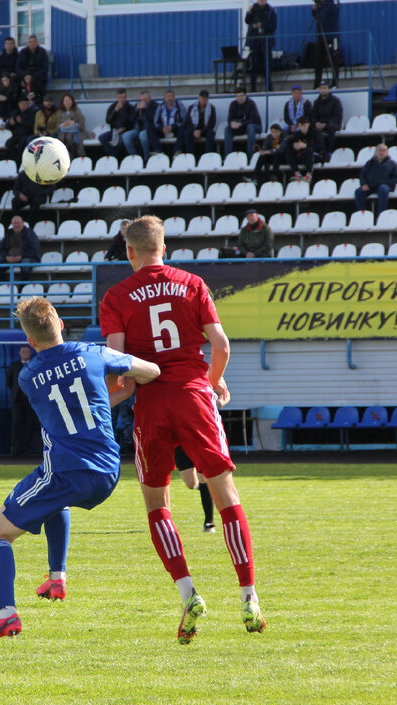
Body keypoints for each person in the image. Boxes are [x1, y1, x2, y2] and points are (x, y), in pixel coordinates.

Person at [100, 215, 267, 643]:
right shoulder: (192, 283)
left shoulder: (116, 296)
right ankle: (249, 596)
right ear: (164, 247)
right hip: (194, 396)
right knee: (225, 493)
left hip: (152, 405)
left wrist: (105, 401)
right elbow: (222, 346)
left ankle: (188, 593)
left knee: (158, 504)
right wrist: (210, 381)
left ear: (129, 252)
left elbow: (121, 369)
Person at [0, 297, 160, 649]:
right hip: (107, 472)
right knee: (58, 502)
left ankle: (6, 613)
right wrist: (124, 383)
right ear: (60, 323)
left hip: (67, 470)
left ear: (30, 341)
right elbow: (150, 372)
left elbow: (62, 412)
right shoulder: (93, 353)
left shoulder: (28, 376)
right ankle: (56, 579)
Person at [6, 344, 39, 457]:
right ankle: (16, 449)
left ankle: (28, 449)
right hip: (18, 401)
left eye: (27, 351)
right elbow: (9, 382)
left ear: (30, 353)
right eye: (23, 351)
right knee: (17, 424)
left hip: (31, 401)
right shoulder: (14, 365)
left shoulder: (35, 365)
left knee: (30, 425)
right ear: (19, 353)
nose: (25, 353)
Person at [175, 446, 217, 533]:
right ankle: (206, 489)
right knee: (191, 484)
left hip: (198, 443)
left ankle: (209, 522)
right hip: (181, 446)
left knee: (203, 480)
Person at [0, 214, 43, 282]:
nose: (17, 225)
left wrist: (21, 256)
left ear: (23, 223)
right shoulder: (8, 233)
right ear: (12, 224)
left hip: (27, 257)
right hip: (11, 258)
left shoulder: (30, 233)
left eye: (18, 223)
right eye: (15, 223)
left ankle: (22, 288)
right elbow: (1, 249)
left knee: (25, 265)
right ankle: (5, 285)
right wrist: (6, 257)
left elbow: (34, 250)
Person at [354, 143, 397, 214]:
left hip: (384, 186)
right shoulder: (369, 163)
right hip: (371, 186)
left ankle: (380, 214)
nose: (381, 152)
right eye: (379, 150)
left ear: (387, 152)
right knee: (358, 191)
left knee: (383, 189)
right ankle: (361, 213)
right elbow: (362, 175)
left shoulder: (392, 164)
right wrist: (364, 184)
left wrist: (384, 182)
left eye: (384, 150)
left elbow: (396, 178)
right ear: (376, 152)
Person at [245, 0, 278, 91]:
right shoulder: (253, 9)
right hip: (254, 42)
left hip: (266, 42)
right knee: (254, 67)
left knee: (266, 66)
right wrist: (249, 11)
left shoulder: (271, 10)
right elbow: (247, 20)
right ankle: (253, 89)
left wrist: (262, 25)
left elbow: (273, 26)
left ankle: (269, 88)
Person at [97, 87, 137, 156]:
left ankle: (117, 156)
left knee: (121, 139)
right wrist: (115, 111)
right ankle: (113, 155)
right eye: (120, 97)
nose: (121, 99)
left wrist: (124, 128)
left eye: (123, 97)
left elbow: (132, 123)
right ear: (117, 97)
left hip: (125, 131)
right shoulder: (112, 107)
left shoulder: (130, 108)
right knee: (102, 137)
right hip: (114, 131)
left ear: (126, 97)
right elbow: (108, 120)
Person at [224, 89, 262, 155]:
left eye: (241, 96)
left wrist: (241, 124)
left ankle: (251, 155)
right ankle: (228, 156)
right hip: (241, 128)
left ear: (245, 95)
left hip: (255, 127)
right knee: (227, 128)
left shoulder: (251, 103)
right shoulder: (233, 104)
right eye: (238, 96)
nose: (240, 98)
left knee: (250, 127)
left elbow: (254, 119)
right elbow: (229, 119)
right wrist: (232, 124)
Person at [285, 115, 322, 181]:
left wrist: (306, 145)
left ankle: (309, 174)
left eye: (305, 126)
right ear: (299, 126)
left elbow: (320, 147)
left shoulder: (315, 133)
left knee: (309, 150)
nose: (303, 128)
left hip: (314, 155)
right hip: (302, 155)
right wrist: (295, 146)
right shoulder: (297, 134)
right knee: (288, 150)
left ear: (308, 124)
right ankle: (297, 173)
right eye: (301, 126)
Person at [309, 81, 342, 152]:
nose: (323, 90)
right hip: (320, 124)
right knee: (312, 128)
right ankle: (318, 151)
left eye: (325, 88)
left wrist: (326, 123)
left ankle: (330, 151)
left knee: (331, 128)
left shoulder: (335, 101)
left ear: (328, 89)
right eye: (321, 88)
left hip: (333, 124)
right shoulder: (316, 102)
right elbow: (314, 115)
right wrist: (316, 123)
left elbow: (338, 116)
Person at [182, 89, 216, 157]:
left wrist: (201, 131)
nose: (204, 99)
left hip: (205, 130)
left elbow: (211, 124)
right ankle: (190, 156)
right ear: (199, 98)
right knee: (187, 133)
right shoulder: (192, 108)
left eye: (206, 98)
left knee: (211, 133)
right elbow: (188, 122)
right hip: (194, 129)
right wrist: (194, 130)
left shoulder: (211, 108)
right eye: (202, 98)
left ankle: (207, 155)